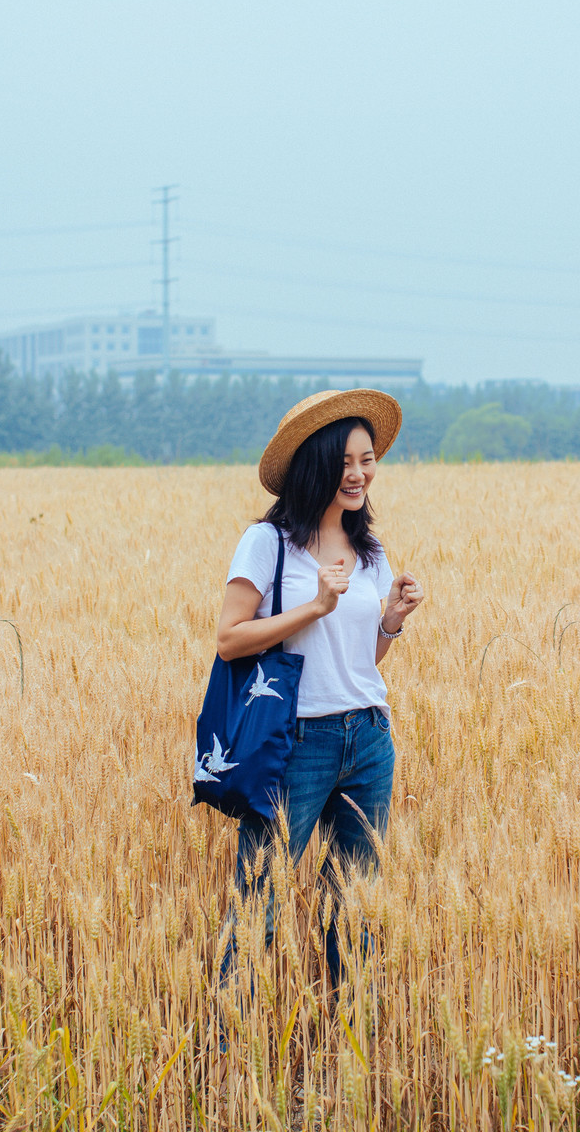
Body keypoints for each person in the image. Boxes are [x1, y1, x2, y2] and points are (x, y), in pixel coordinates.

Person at [215, 389, 425, 992]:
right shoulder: (268, 543)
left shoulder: (369, 551)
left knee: (354, 905)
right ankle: (228, 1039)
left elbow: (359, 659)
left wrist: (391, 619)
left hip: (369, 736)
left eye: (367, 460)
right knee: (260, 904)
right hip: (296, 741)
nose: (359, 475)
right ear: (315, 466)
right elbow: (229, 639)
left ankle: (349, 1037)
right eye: (344, 463)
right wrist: (314, 606)